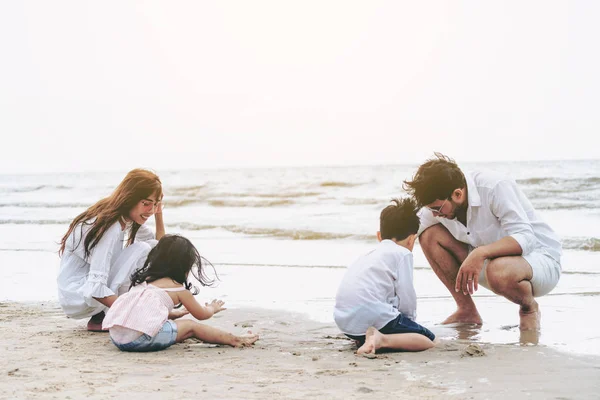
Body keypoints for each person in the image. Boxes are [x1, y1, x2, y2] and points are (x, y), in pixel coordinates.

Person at [403, 153, 562, 332]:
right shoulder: (438, 206)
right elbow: (406, 235)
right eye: (429, 209)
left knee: (498, 270)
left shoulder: (495, 186)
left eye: (436, 208)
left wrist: (480, 253)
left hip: (540, 262)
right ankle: (467, 311)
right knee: (429, 235)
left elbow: (526, 238)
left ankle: (529, 308)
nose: (434, 214)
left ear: (457, 194)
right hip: (490, 263)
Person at [102, 234, 259, 352]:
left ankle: (171, 332)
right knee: (191, 327)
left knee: (174, 326)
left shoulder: (144, 281)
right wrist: (212, 308)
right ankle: (234, 340)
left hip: (117, 337)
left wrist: (173, 314)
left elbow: (141, 311)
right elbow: (201, 315)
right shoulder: (178, 289)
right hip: (140, 341)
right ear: (185, 265)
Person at [57, 168, 166, 331]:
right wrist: (132, 314)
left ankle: (101, 317)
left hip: (81, 292)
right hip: (79, 295)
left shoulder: (124, 216)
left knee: (149, 248)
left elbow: (159, 246)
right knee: (142, 249)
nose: (150, 210)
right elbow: (95, 288)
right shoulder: (111, 226)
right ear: (131, 198)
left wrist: (158, 214)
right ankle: (109, 315)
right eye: (146, 203)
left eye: (155, 204)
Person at [333, 198, 436, 355]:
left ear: (379, 236)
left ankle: (369, 338)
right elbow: (406, 296)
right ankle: (381, 340)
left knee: (384, 319)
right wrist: (409, 324)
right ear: (411, 239)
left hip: (344, 321)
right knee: (429, 340)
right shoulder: (402, 254)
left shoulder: (368, 256)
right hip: (371, 315)